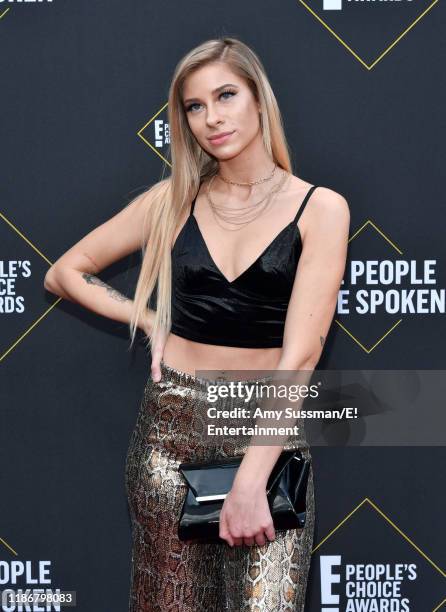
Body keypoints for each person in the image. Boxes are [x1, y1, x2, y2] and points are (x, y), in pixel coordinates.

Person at [44, 37, 349, 612]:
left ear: (260, 101)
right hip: (168, 437)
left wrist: (251, 481)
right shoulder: (173, 201)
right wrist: (152, 316)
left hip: (265, 435)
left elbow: (301, 357)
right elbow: (65, 273)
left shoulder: (320, 209)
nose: (212, 117)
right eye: (194, 106)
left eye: (226, 95)